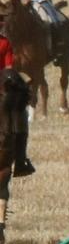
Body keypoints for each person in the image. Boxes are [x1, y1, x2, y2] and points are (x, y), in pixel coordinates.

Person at [0, 10, 34, 177]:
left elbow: (8, 67)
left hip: (1, 83)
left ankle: (20, 159)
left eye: (1, 20)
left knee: (19, 108)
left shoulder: (5, 42)